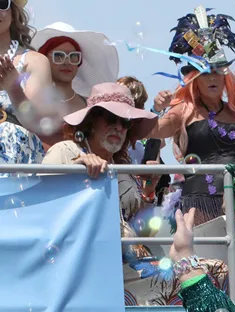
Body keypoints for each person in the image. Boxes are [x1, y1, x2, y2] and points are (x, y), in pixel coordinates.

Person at [150, 9, 235, 225]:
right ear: (194, 79)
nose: (212, 78)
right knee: (207, 248)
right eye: (205, 73)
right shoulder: (184, 111)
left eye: (217, 71)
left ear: (226, 77)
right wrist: (156, 109)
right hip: (199, 206)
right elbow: (151, 131)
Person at [43, 83, 159, 221]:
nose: (118, 127)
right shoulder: (65, 151)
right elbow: (43, 206)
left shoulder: (123, 169)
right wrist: (76, 170)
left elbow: (142, 229)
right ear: (92, 121)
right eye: (111, 118)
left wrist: (149, 191)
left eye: (125, 122)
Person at [34, 22, 120, 148]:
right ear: (45, 60)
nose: (67, 62)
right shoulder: (33, 98)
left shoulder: (89, 104)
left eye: (73, 56)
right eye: (59, 56)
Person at [0, 0, 53, 164]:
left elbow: (38, 122)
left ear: (13, 12)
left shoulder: (35, 62)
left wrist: (14, 88)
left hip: (17, 158)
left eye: (2, 3)